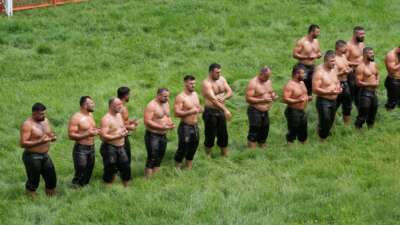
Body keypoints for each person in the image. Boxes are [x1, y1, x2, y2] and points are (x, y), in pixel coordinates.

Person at [20, 103, 57, 197]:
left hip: (45, 155)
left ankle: (51, 199)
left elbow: (48, 133)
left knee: (51, 179)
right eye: (41, 114)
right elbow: (23, 143)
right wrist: (40, 141)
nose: (43, 116)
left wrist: (52, 136)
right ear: (34, 114)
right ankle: (32, 201)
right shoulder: (27, 125)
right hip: (32, 156)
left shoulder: (45, 121)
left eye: (44, 113)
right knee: (34, 181)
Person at [201, 63, 233, 157]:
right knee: (210, 135)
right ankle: (208, 155)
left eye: (220, 72)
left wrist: (224, 98)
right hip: (210, 112)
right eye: (217, 72)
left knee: (223, 134)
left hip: (220, 111)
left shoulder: (222, 79)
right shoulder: (206, 83)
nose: (219, 74)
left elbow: (230, 92)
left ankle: (224, 154)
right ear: (211, 72)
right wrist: (226, 110)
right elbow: (213, 100)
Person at [68, 96, 100, 187]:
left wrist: (97, 131)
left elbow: (91, 130)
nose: (93, 105)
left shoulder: (90, 115)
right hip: (81, 149)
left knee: (89, 170)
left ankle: (84, 189)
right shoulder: (76, 118)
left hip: (92, 147)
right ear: (85, 105)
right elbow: (71, 135)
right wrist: (87, 134)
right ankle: (75, 189)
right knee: (80, 172)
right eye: (91, 103)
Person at [143, 88, 175, 178]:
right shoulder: (151, 105)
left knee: (160, 155)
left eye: (168, 96)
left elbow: (167, 116)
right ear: (158, 95)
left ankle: (155, 177)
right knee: (152, 156)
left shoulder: (166, 103)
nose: (167, 98)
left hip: (163, 134)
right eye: (165, 96)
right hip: (152, 135)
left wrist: (170, 123)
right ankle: (147, 179)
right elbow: (147, 121)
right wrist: (161, 127)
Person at [99, 97, 131, 187]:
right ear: (111, 106)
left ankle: (127, 188)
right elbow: (103, 136)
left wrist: (125, 130)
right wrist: (118, 136)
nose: (121, 106)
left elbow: (121, 127)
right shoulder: (106, 119)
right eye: (118, 104)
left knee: (126, 167)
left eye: (121, 104)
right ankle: (108, 190)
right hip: (109, 147)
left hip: (121, 146)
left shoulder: (119, 115)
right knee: (110, 169)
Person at [174, 75, 203, 169]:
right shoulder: (180, 97)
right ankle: (177, 168)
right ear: (185, 83)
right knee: (183, 147)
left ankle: (188, 168)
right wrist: (190, 111)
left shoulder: (195, 94)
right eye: (191, 83)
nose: (193, 85)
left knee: (194, 146)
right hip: (185, 126)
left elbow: (197, 107)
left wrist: (200, 109)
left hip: (195, 125)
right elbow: (176, 113)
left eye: (194, 83)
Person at [245, 66, 278, 148]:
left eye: (269, 76)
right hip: (255, 110)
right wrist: (262, 100)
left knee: (265, 129)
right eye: (266, 76)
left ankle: (262, 149)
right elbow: (248, 98)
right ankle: (251, 152)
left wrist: (273, 96)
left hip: (265, 111)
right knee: (254, 131)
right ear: (261, 74)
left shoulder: (268, 81)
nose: (268, 78)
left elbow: (271, 91)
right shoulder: (253, 83)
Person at [312, 50, 342, 141]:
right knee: (325, 119)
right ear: (325, 61)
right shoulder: (319, 73)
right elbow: (315, 89)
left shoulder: (335, 69)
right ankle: (322, 139)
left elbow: (337, 81)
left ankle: (322, 133)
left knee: (330, 120)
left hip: (334, 100)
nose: (334, 63)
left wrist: (338, 87)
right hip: (323, 101)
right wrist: (329, 92)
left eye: (334, 60)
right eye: (332, 61)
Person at [293, 24, 322, 97]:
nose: (318, 34)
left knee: (312, 82)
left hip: (312, 65)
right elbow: (294, 54)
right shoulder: (302, 41)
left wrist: (318, 55)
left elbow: (318, 52)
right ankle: (299, 96)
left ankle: (308, 96)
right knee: (302, 82)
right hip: (303, 66)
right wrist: (306, 57)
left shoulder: (316, 41)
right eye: (317, 32)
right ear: (312, 32)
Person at [282, 64, 309, 144]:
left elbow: (304, 94)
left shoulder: (302, 83)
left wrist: (308, 98)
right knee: (293, 129)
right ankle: (290, 146)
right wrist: (297, 100)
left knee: (304, 129)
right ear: (296, 74)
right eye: (302, 73)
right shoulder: (290, 85)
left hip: (302, 110)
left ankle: (303, 147)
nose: (304, 75)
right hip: (292, 111)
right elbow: (285, 99)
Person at [355, 47, 379, 129]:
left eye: (373, 53)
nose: (373, 54)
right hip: (365, 93)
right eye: (370, 53)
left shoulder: (374, 64)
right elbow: (358, 83)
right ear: (365, 55)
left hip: (374, 92)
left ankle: (370, 129)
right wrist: (370, 84)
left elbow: (377, 74)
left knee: (373, 111)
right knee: (363, 113)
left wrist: (377, 81)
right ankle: (358, 129)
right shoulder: (360, 67)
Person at [117, 87, 139, 164]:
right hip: (119, 136)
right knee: (124, 160)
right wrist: (130, 127)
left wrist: (130, 121)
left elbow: (122, 121)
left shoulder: (122, 106)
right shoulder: (119, 107)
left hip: (124, 135)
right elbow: (117, 123)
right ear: (125, 95)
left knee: (126, 158)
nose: (129, 96)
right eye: (129, 94)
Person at [334, 40, 353, 124]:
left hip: (345, 84)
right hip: (337, 84)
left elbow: (346, 66)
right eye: (345, 47)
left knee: (347, 105)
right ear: (339, 48)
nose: (347, 48)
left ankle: (347, 125)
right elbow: (329, 75)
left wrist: (349, 69)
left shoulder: (343, 56)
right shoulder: (333, 59)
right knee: (334, 106)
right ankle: (331, 126)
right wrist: (342, 72)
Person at [347, 26, 366, 105]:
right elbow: (343, 61)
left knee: (361, 91)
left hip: (362, 71)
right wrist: (357, 64)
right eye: (361, 34)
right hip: (352, 72)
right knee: (352, 91)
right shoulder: (348, 46)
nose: (363, 36)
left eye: (364, 34)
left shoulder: (362, 44)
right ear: (355, 34)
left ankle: (359, 105)